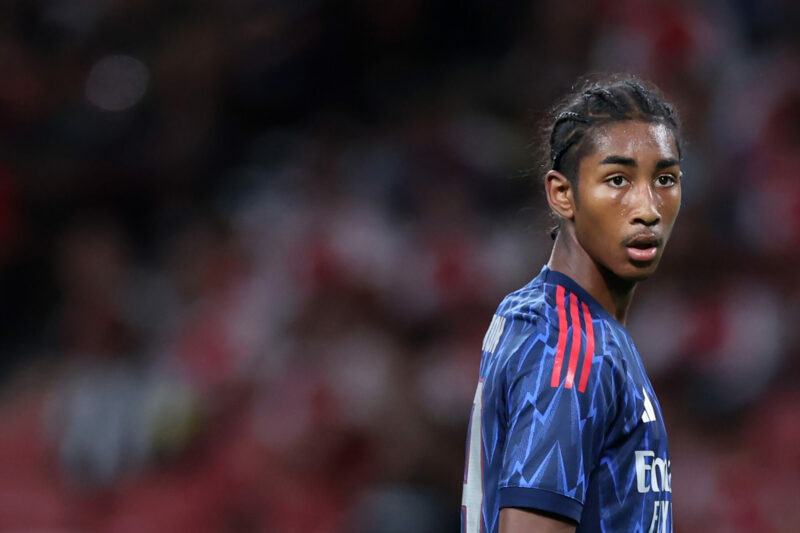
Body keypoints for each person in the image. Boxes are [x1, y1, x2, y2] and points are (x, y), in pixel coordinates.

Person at [461, 75, 683, 533]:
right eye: (617, 179)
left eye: (664, 179)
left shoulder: (565, 321)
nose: (648, 209)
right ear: (563, 194)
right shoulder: (568, 344)